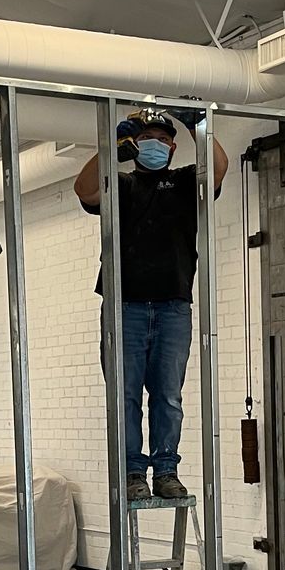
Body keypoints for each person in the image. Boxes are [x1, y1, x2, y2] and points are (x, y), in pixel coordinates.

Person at [74, 107, 228, 502]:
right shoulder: (120, 185)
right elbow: (84, 190)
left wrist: (198, 126)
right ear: (134, 145)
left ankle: (165, 471)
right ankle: (132, 472)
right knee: (124, 395)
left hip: (173, 306)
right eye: (146, 139)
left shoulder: (185, 182)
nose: (155, 145)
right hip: (124, 307)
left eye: (162, 140)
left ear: (173, 148)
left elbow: (218, 169)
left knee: (168, 397)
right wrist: (110, 148)